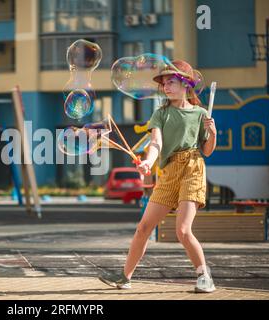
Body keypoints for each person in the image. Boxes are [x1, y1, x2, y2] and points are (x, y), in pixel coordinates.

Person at [99, 60, 217, 293]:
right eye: (164, 83)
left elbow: (207, 150)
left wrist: (212, 133)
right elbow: (156, 143)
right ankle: (125, 277)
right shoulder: (161, 113)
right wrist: (148, 163)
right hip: (168, 171)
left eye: (171, 82)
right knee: (143, 227)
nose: (166, 87)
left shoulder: (201, 114)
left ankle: (204, 276)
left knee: (182, 230)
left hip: (193, 168)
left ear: (186, 85)